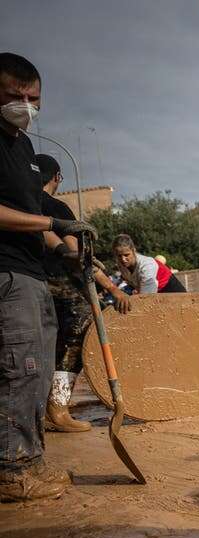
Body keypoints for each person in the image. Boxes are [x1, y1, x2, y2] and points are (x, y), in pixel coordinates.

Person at [0, 52, 96, 502]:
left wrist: (65, 248)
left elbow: (37, 216)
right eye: (13, 95)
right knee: (21, 367)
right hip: (6, 272)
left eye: (32, 97)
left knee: (37, 366)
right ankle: (11, 472)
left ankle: (29, 461)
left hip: (33, 271)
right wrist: (51, 226)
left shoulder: (21, 144)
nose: (24, 104)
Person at [34, 154, 129, 433]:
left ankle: (34, 412)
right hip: (63, 288)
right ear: (56, 178)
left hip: (29, 285)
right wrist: (111, 288)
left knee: (38, 348)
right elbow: (77, 257)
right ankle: (58, 408)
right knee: (73, 343)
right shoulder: (55, 207)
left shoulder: (21, 206)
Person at [111, 234, 183, 294]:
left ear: (133, 250)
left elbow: (147, 298)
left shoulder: (147, 265)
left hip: (172, 291)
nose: (123, 259)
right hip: (156, 294)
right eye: (119, 256)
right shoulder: (121, 265)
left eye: (126, 255)